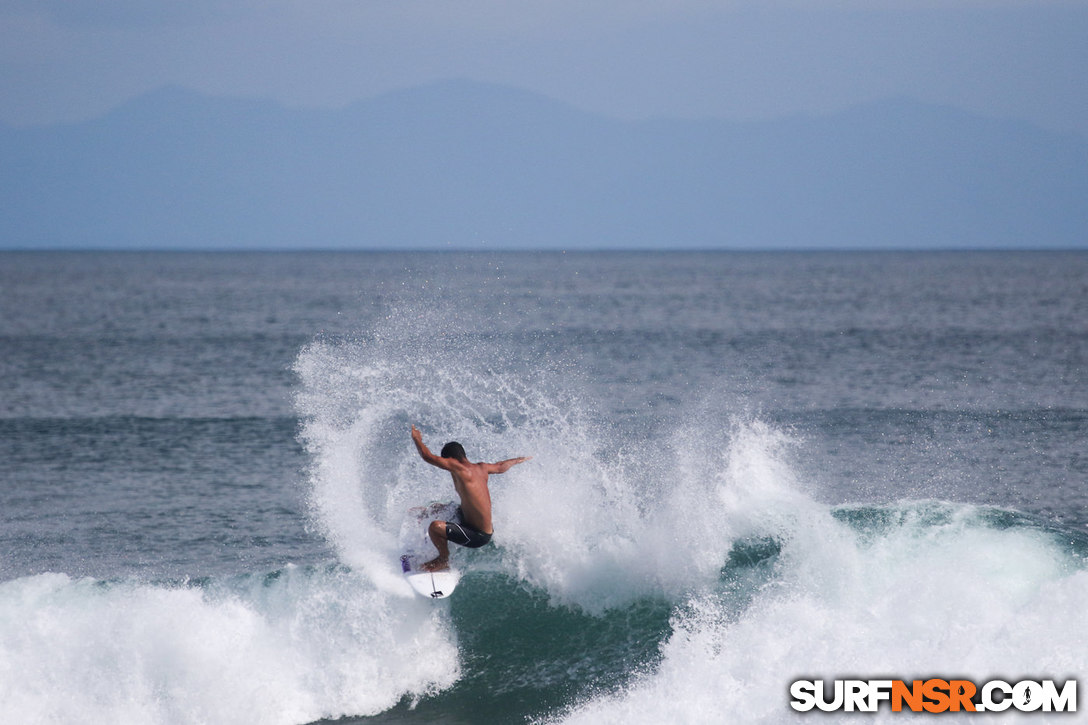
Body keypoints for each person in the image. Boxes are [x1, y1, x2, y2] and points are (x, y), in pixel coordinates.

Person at [410, 425, 531, 572]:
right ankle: (426, 515)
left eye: (446, 462)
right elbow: (500, 466)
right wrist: (518, 460)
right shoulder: (482, 467)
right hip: (471, 521)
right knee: (440, 507)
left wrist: (417, 438)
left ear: (450, 459)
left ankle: (443, 559)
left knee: (435, 527)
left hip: (478, 535)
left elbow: (427, 456)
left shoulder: (458, 467)